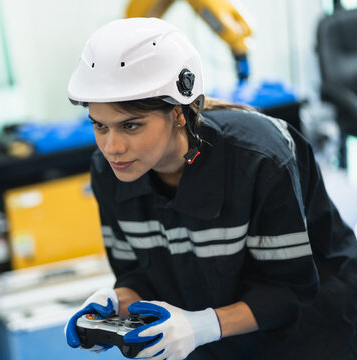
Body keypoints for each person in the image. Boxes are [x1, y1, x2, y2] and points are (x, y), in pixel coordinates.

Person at [63, 17, 357, 360]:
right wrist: (116, 302)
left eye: (130, 125)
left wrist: (202, 324)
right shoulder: (108, 171)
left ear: (177, 113)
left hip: (309, 335)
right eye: (100, 126)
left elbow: (288, 290)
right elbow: (140, 272)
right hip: (209, 340)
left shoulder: (260, 161)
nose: (112, 147)